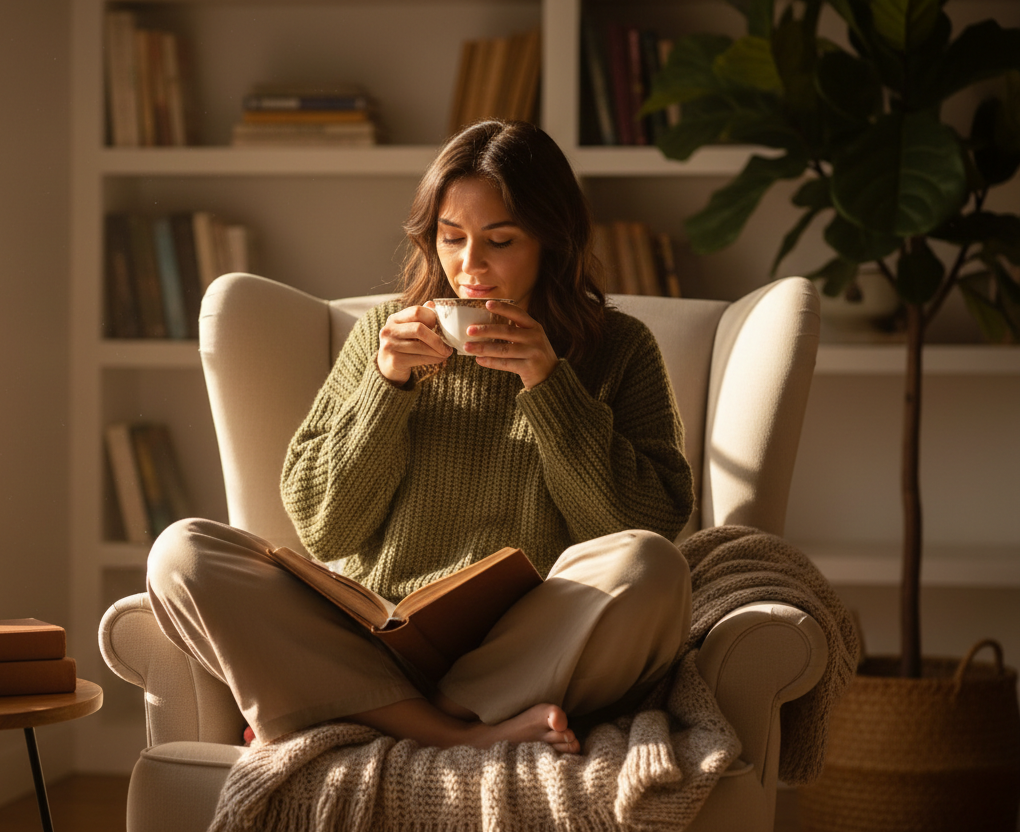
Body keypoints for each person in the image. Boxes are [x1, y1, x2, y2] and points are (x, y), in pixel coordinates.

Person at [147, 120, 695, 756]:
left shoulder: (619, 349)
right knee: (181, 553)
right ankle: (455, 731)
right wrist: (386, 387)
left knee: (652, 567)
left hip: (532, 642)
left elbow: (642, 523)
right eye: (451, 237)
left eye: (500, 241)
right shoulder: (383, 335)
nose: (470, 266)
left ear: (552, 240)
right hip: (378, 639)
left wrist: (549, 385)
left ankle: (392, 713)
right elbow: (325, 528)